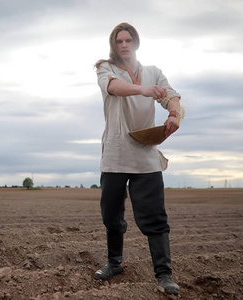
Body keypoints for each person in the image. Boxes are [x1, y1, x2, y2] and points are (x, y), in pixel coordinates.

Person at [93, 22, 181, 295]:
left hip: (145, 155)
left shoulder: (154, 72)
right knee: (111, 214)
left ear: (136, 42)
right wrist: (143, 90)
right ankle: (114, 262)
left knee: (154, 216)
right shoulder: (105, 69)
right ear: (113, 45)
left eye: (128, 40)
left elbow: (172, 97)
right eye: (118, 41)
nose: (123, 45)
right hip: (116, 153)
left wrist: (174, 115)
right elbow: (115, 88)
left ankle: (164, 274)